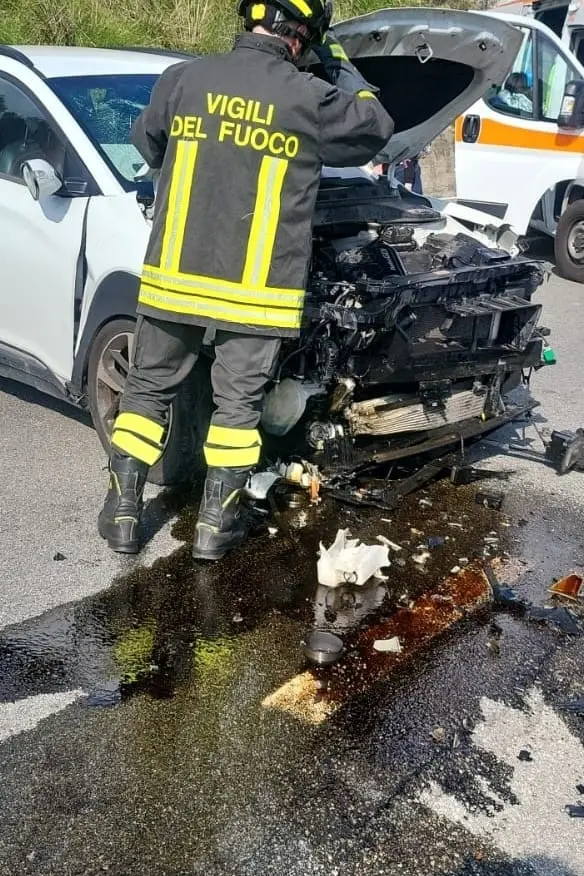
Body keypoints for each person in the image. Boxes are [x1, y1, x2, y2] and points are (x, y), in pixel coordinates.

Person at [98, 0, 394, 561]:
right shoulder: (308, 95)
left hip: (175, 280)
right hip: (255, 293)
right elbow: (375, 127)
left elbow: (148, 144)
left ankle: (121, 515)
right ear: (302, 38)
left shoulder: (183, 79)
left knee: (145, 393)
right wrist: (338, 65)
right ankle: (214, 528)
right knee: (237, 411)